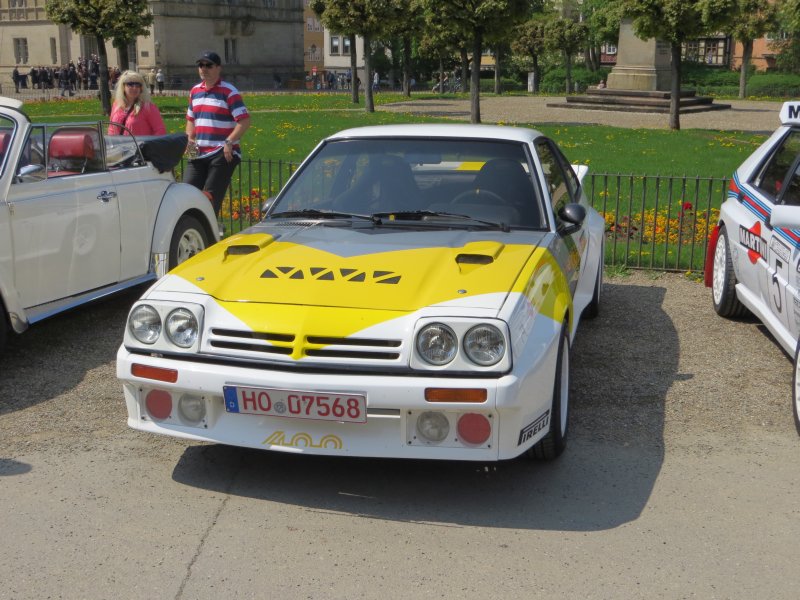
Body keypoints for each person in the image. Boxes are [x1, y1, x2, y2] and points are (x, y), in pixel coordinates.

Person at [183, 50, 250, 217]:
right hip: (199, 153)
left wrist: (229, 141)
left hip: (222, 153)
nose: (203, 69)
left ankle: (209, 233)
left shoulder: (229, 91)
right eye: (201, 65)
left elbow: (244, 121)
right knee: (186, 194)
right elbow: (191, 120)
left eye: (208, 65)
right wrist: (190, 140)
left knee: (209, 199)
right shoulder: (195, 91)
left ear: (218, 68)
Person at [107, 70, 166, 136]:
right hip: (119, 146)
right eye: (130, 84)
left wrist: (148, 145)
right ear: (123, 86)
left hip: (140, 145)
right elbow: (111, 129)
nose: (135, 88)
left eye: (138, 85)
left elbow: (160, 131)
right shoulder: (116, 105)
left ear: (141, 88)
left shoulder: (149, 108)